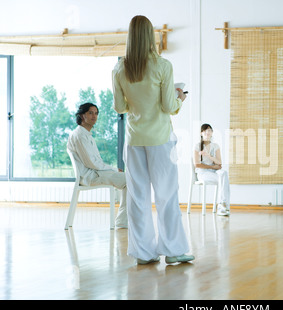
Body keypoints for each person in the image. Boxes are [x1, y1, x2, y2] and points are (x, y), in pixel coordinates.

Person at [112, 15, 193, 265]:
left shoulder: (119, 69)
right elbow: (169, 106)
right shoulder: (162, 65)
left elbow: (119, 107)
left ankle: (143, 253)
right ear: (150, 36)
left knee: (138, 197)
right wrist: (180, 98)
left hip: (134, 141)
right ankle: (172, 251)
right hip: (160, 139)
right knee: (167, 195)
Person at [67, 102, 128, 228]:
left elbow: (95, 162)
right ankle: (122, 222)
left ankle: (124, 220)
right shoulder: (79, 136)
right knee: (131, 180)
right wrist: (115, 169)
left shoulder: (86, 134)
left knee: (130, 179)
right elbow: (92, 163)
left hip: (96, 173)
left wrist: (114, 170)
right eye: (90, 113)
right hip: (90, 176)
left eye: (96, 113)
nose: (94, 116)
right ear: (82, 116)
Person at [193, 124, 231, 215]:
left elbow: (219, 164)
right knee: (223, 179)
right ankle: (222, 206)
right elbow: (197, 165)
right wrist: (212, 167)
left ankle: (223, 204)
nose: (207, 132)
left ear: (212, 133)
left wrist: (209, 156)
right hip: (203, 173)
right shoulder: (197, 146)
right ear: (201, 133)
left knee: (224, 173)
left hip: (214, 172)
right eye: (205, 130)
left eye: (209, 130)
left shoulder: (215, 146)